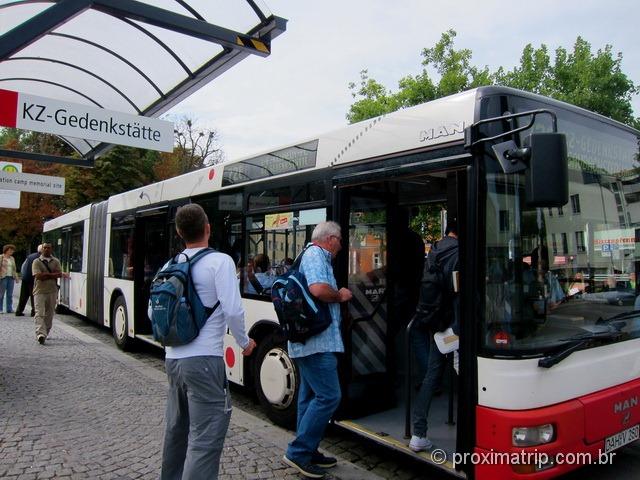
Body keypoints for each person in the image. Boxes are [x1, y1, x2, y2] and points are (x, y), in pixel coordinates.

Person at [159, 204, 256, 480]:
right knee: (205, 438)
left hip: (173, 360)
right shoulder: (220, 261)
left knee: (176, 432)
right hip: (204, 362)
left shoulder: (170, 264)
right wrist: (244, 342)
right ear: (208, 228)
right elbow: (234, 310)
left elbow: (153, 312)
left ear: (179, 232)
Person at [283, 221, 353, 479]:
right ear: (330, 239)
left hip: (312, 341)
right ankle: (298, 452)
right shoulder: (315, 254)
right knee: (329, 396)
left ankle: (308, 450)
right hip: (316, 343)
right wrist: (341, 295)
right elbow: (318, 290)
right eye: (341, 240)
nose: (342, 245)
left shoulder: (313, 255)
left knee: (307, 398)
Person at [409, 221, 459, 452]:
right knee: (471, 378)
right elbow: (459, 291)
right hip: (455, 326)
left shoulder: (436, 249)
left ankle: (418, 433)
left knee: (431, 375)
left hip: (438, 323)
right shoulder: (459, 253)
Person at [32, 243, 67, 345]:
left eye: (49, 248)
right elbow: (38, 276)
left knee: (50, 313)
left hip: (52, 291)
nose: (46, 249)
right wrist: (52, 275)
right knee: (39, 313)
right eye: (45, 248)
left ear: (51, 249)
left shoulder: (56, 261)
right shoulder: (36, 261)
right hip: (39, 291)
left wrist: (46, 274)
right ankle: (40, 334)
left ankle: (45, 332)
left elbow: (59, 274)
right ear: (41, 250)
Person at [16, 244, 42, 317]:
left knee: (23, 296)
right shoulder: (40, 258)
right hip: (33, 278)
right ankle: (34, 311)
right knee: (34, 295)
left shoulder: (30, 256)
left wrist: (23, 275)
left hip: (25, 277)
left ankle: (19, 311)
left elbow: (23, 266)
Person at [0, 244, 20, 313]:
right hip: (3, 277)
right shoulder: (1, 257)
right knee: (1, 294)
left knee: (10, 294)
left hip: (11, 277)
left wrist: (16, 277)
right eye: (10, 250)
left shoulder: (12, 258)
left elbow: (14, 269)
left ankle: (9, 308)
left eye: (13, 250)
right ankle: (0, 308)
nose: (12, 251)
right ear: (6, 250)